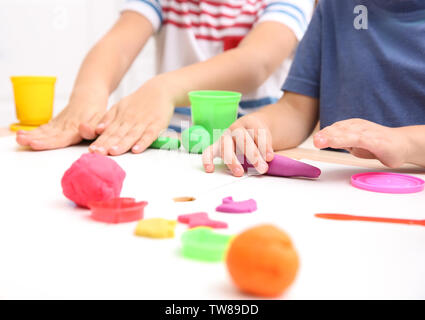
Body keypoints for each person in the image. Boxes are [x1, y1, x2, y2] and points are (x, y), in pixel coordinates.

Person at [17, 0, 315, 156]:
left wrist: (165, 88)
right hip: (171, 148)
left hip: (245, 154)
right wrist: (87, 98)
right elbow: (117, 46)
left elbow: (255, 62)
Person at [202, 0, 425, 176]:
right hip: (335, 186)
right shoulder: (336, 6)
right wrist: (260, 127)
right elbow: (296, 110)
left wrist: (406, 143)